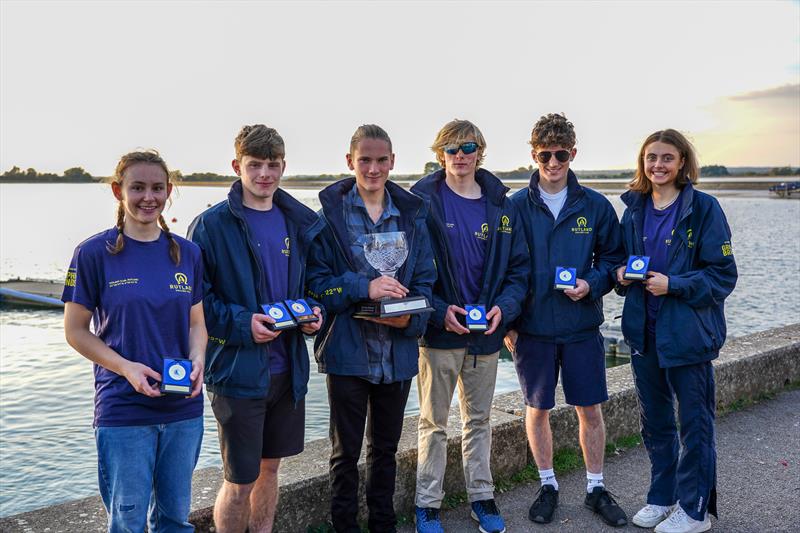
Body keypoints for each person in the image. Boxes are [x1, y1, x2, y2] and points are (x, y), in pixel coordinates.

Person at [187, 125, 324, 533]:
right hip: (237, 373)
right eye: (255, 165)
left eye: (272, 165)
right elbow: (195, 304)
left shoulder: (298, 221)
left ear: (283, 166)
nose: (264, 173)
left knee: (271, 469)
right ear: (237, 165)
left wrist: (314, 311)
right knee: (239, 479)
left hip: (287, 370)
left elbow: (311, 285)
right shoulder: (211, 225)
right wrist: (242, 324)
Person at [63, 150, 206, 533]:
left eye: (157, 188)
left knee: (175, 520)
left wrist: (198, 360)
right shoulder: (93, 253)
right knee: (127, 522)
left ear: (169, 191)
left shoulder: (189, 254)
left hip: (183, 409)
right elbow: (75, 331)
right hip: (123, 409)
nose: (149, 197)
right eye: (137, 187)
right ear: (117, 191)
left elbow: (197, 323)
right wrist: (125, 368)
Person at [306, 124, 436, 533]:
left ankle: (383, 524)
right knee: (344, 453)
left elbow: (427, 284)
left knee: (386, 450)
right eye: (365, 160)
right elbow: (318, 285)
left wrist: (409, 318)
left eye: (382, 160)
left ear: (393, 162)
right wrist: (365, 286)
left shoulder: (412, 216)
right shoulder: (329, 219)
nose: (374, 168)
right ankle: (344, 526)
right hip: (348, 353)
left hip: (396, 355)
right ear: (350, 162)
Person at [506, 113, 628, 527]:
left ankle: (595, 488)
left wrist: (591, 284)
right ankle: (547, 485)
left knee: (589, 410)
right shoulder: (514, 206)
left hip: (581, 327)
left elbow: (613, 260)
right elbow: (501, 268)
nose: (553, 163)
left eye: (561, 154)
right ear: (533, 154)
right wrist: (508, 321)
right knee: (537, 410)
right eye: (545, 155)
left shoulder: (594, 205)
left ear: (573, 153)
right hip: (532, 329)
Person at [409, 119, 529, 533]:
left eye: (469, 147)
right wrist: (439, 310)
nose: (461, 155)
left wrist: (505, 310)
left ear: (480, 151)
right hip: (440, 333)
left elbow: (519, 270)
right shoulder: (421, 202)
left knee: (479, 420)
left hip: (487, 335)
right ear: (439, 152)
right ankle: (427, 504)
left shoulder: (501, 204)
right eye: (453, 148)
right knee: (433, 422)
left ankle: (482, 497)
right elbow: (412, 274)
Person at [616, 129, 737, 533]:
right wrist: (621, 276)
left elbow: (723, 276)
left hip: (687, 335)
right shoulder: (633, 208)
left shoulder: (704, 208)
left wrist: (675, 284)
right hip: (643, 333)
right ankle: (662, 496)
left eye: (667, 158)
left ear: (683, 162)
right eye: (651, 157)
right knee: (657, 424)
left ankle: (695, 510)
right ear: (642, 162)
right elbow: (622, 263)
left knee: (695, 425)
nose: (658, 165)